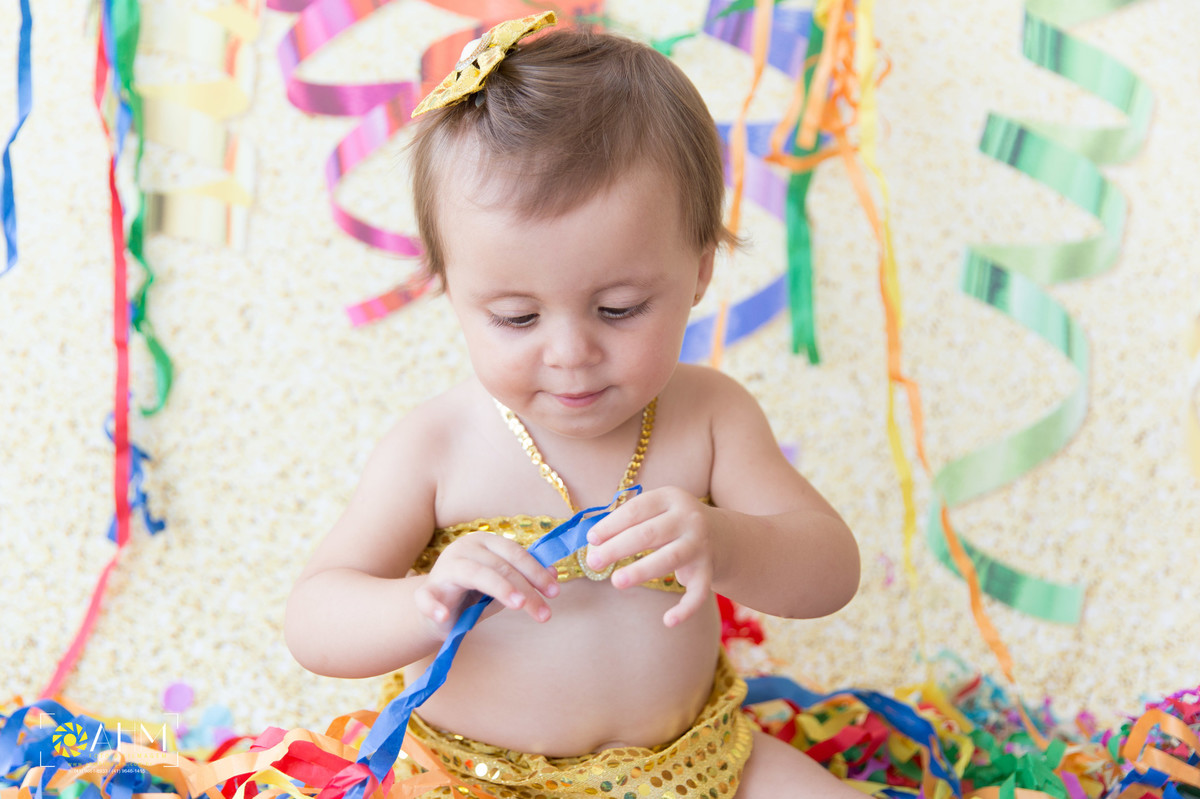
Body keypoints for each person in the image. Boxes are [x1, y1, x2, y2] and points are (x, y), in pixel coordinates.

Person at [285, 12, 862, 797]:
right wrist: (427, 601)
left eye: (619, 308)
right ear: (450, 288)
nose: (569, 352)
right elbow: (315, 619)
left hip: (695, 763)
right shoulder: (438, 446)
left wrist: (727, 543)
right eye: (517, 317)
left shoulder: (710, 417)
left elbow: (830, 570)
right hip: (472, 781)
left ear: (699, 270)